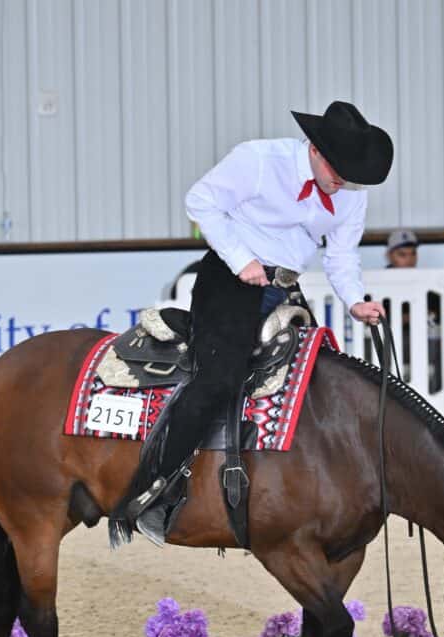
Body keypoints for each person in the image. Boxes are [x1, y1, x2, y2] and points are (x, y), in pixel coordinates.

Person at [110, 100, 394, 545]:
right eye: (339, 169)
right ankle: (153, 488)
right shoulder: (259, 161)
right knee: (218, 378)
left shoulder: (350, 194)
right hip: (229, 280)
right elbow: (199, 201)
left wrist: (356, 301)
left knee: (318, 380)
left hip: (283, 288)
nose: (343, 182)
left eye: (352, 175)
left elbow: (341, 255)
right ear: (316, 150)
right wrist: (242, 261)